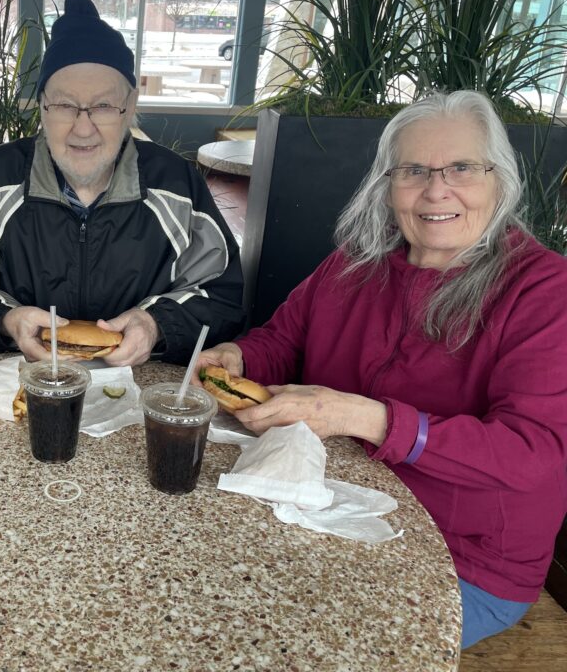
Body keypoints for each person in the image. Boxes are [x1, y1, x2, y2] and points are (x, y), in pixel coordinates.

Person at [197, 91, 567, 648]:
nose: (436, 189)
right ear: (387, 185)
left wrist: (368, 418)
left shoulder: (545, 291)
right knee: (209, 600)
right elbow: (281, 340)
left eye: (462, 168)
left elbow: (533, 454)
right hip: (319, 504)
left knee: (292, 644)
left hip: (460, 557)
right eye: (413, 170)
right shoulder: (355, 261)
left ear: (501, 180)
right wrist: (239, 358)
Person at [0, 0, 245, 366]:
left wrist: (155, 325)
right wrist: (7, 322)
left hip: (138, 395)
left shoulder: (177, 185)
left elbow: (222, 296)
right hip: (21, 390)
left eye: (102, 106)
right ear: (41, 107)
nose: (82, 128)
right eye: (65, 105)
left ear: (130, 108)